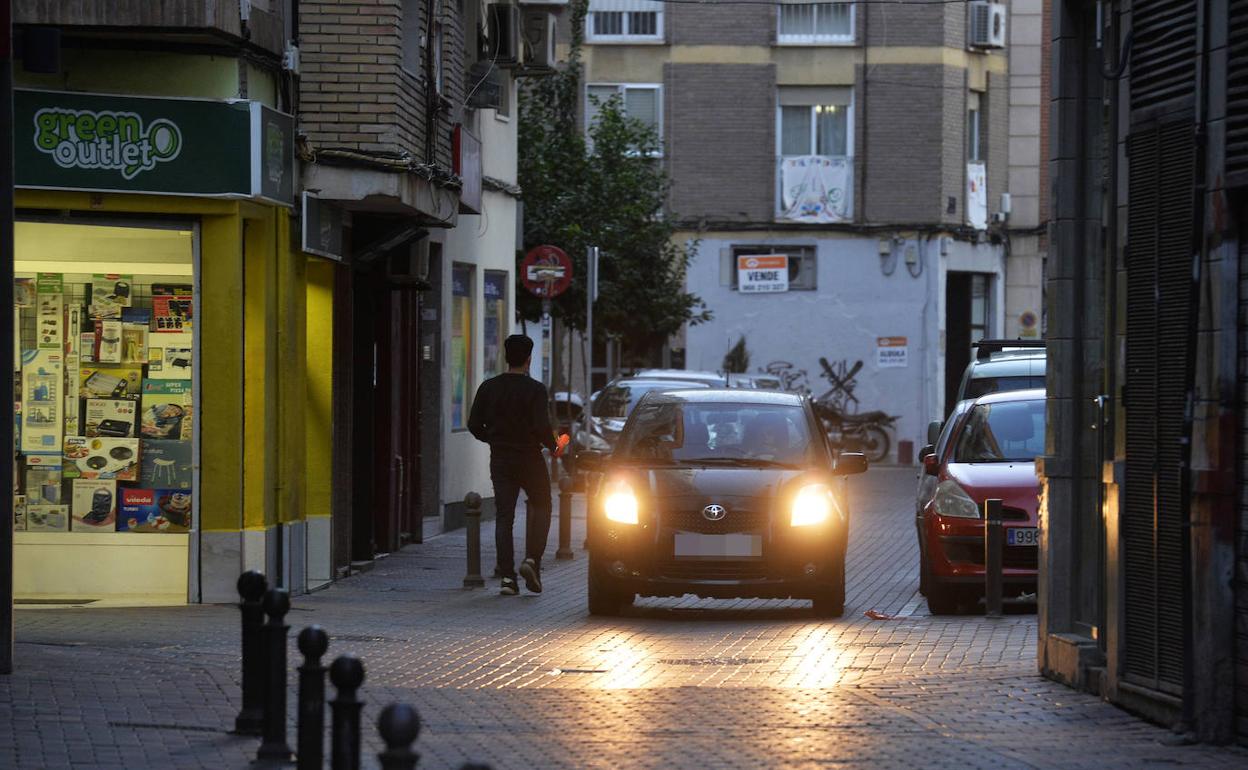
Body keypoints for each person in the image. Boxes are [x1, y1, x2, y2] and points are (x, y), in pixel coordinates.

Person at [467, 334, 558, 596]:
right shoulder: (535, 390)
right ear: (529, 359)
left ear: (506, 358)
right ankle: (532, 560)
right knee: (542, 504)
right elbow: (542, 427)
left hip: (501, 458)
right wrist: (553, 446)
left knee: (504, 516)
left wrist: (493, 439)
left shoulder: (489, 387)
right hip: (530, 457)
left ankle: (507, 578)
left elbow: (474, 424)